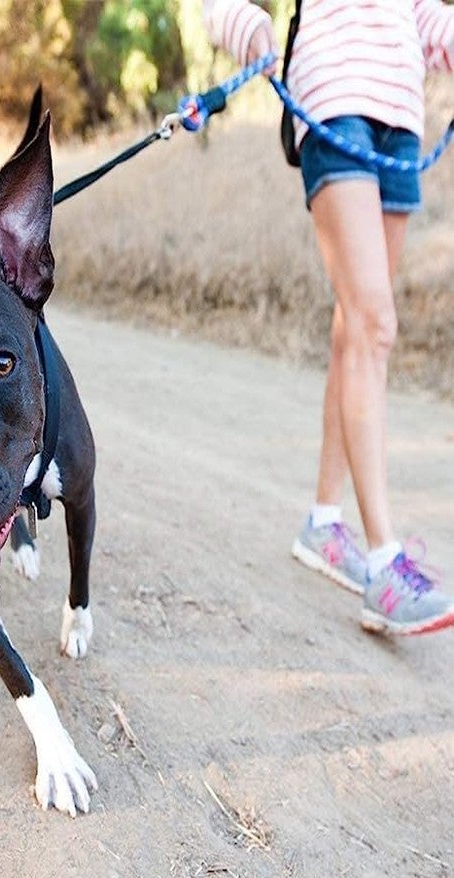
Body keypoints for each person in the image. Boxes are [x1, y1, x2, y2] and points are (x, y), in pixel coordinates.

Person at [202, 0, 454, 636]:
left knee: (356, 325)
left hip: (402, 115)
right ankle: (385, 565)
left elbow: (423, 15)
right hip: (334, 97)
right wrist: (247, 26)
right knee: (374, 324)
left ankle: (323, 522)